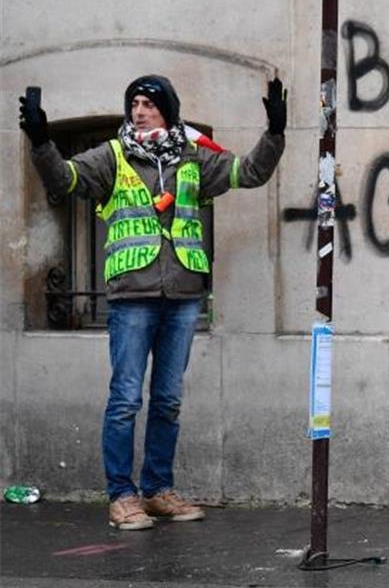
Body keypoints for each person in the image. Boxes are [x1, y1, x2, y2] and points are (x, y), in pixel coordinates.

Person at [18, 75, 287, 531]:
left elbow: (250, 173)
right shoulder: (113, 155)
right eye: (134, 104)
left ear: (169, 110)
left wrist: (275, 134)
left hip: (182, 296)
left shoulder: (193, 157)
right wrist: (43, 142)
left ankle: (158, 490)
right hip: (132, 298)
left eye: (149, 104)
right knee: (124, 400)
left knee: (167, 400)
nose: (139, 111)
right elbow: (65, 181)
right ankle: (122, 496)